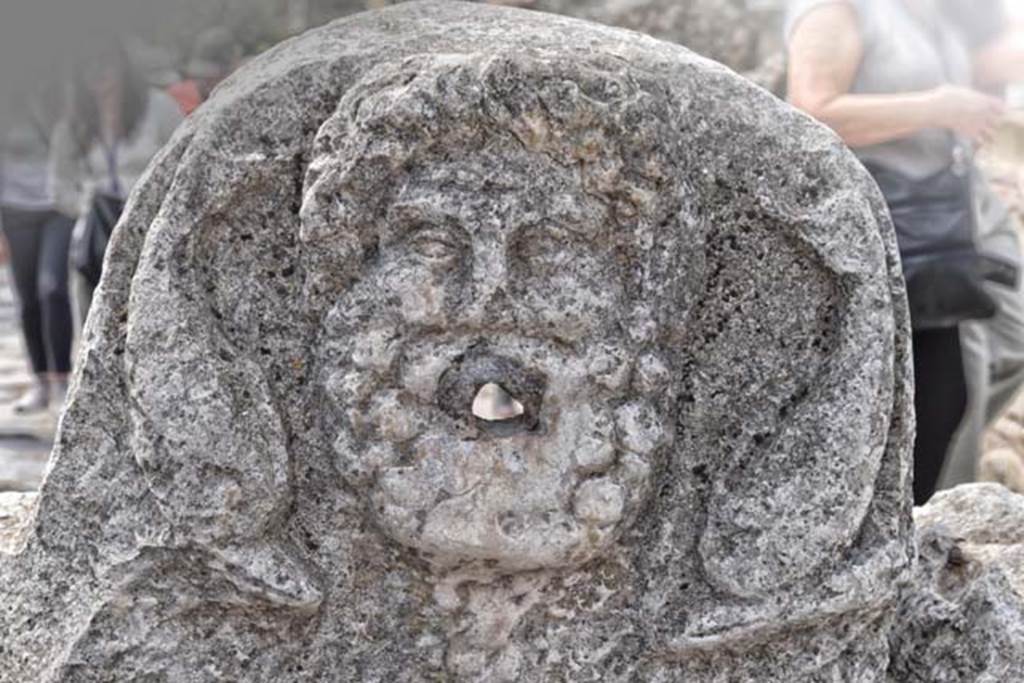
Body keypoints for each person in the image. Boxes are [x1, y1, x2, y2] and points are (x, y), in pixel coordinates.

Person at [785, 0, 1021, 505]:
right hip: (880, 226)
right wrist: (936, 108)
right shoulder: (840, 10)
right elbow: (810, 110)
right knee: (938, 394)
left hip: (940, 216)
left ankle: (932, 517)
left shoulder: (928, 14)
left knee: (956, 385)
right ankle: (927, 520)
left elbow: (993, 62)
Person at [49, 38, 183, 326]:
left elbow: (185, 161)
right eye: (88, 65)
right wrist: (84, 206)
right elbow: (59, 185)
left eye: (104, 63)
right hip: (96, 238)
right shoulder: (73, 124)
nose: (98, 72)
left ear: (122, 65)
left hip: (149, 230)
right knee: (96, 325)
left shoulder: (158, 107)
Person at [0, 83, 76, 413]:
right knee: (27, 297)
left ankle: (62, 380)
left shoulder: (59, 96)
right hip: (14, 211)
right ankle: (40, 382)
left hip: (58, 208)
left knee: (53, 288)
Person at [167, 28, 243, 116]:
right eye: (202, 76)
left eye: (213, 77)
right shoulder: (176, 98)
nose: (205, 81)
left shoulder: (241, 96)